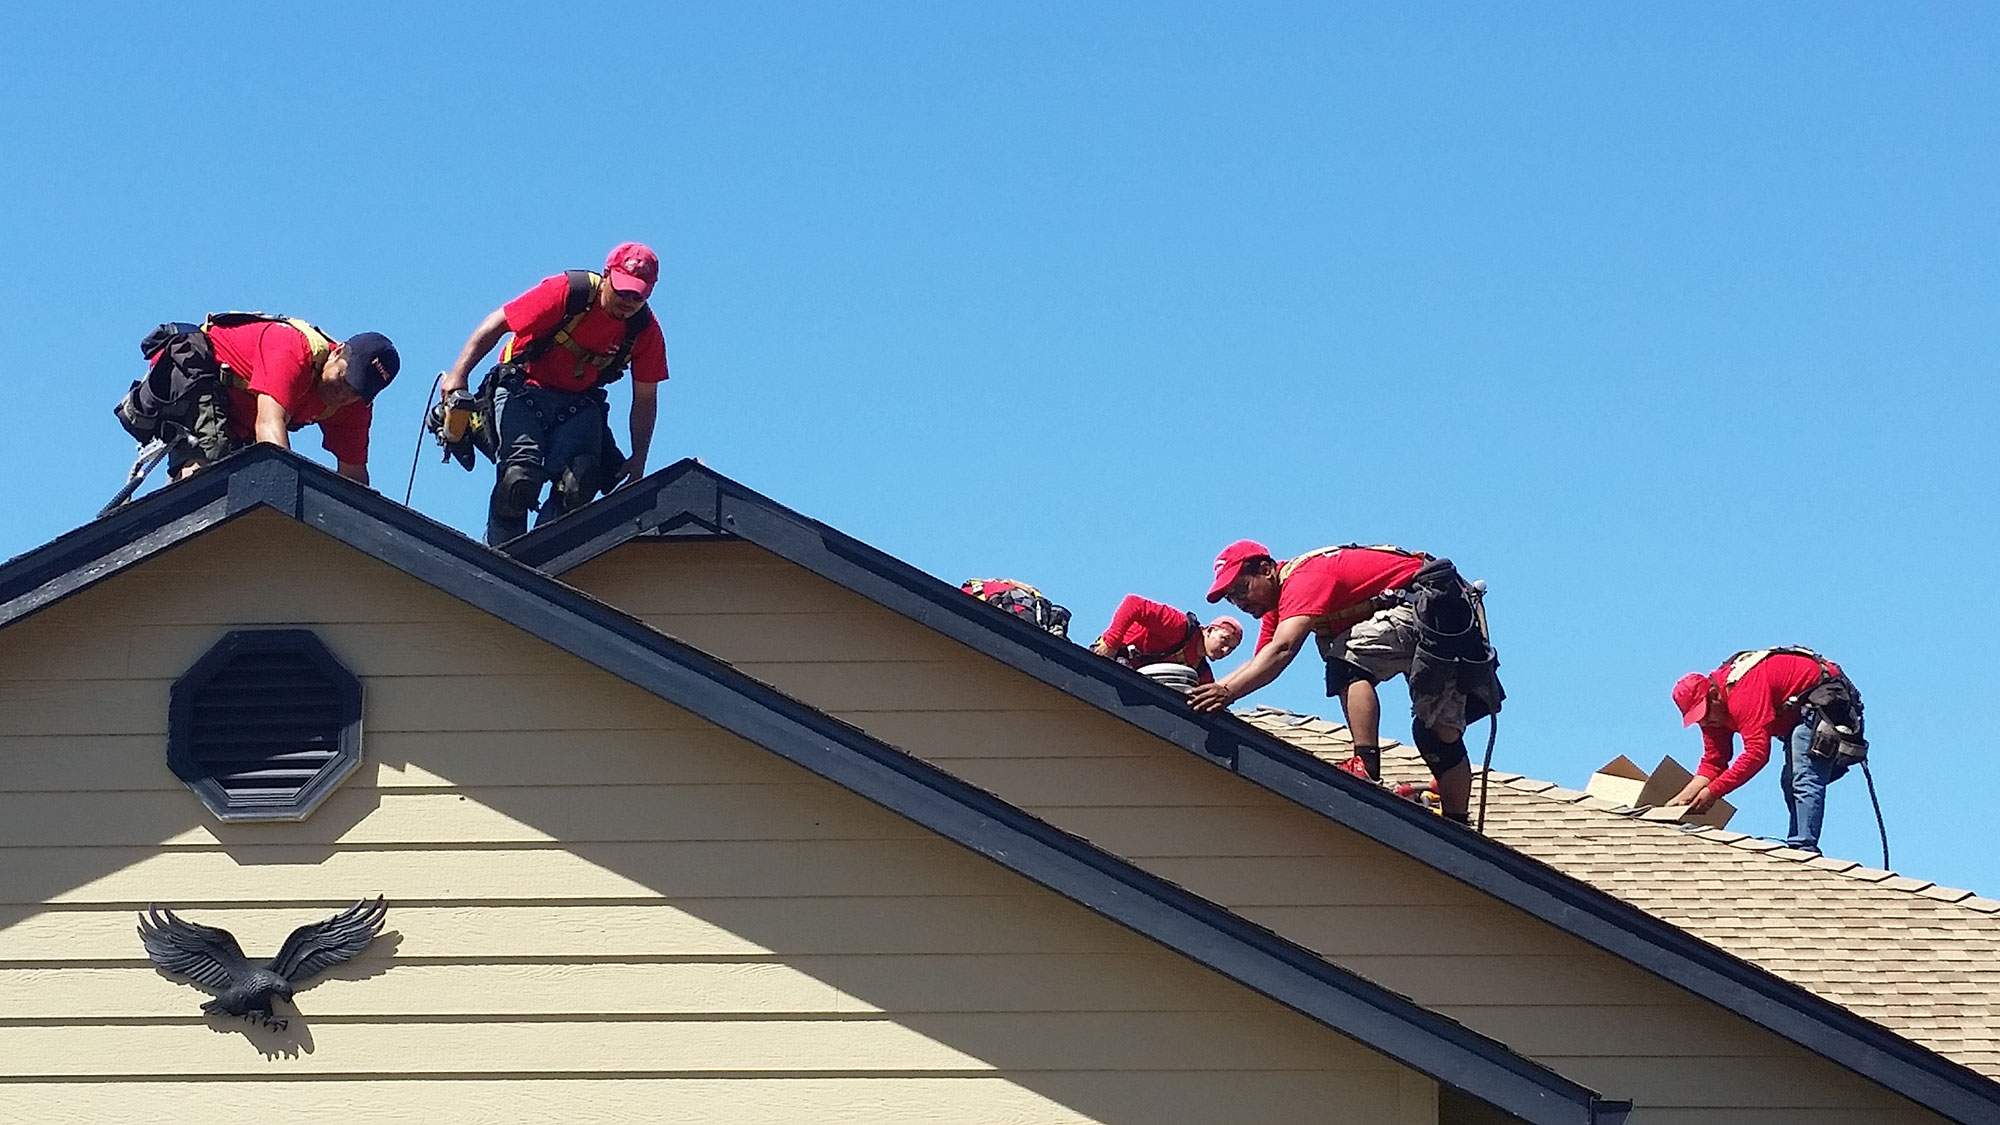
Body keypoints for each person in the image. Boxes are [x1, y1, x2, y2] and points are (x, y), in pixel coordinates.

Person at [1187, 540, 1502, 825]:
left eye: (1241, 589)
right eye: (1231, 599)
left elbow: (1282, 650)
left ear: (1267, 570)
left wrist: (1225, 693)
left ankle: (1365, 764)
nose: (1239, 602)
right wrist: (1198, 694)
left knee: (1347, 657)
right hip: (1438, 618)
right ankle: (1457, 826)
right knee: (1434, 734)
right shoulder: (1281, 603)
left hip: (1427, 606)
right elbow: (1260, 663)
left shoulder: (1304, 578)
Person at [438, 242, 669, 545]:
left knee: (580, 482)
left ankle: (545, 565)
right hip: (523, 386)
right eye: (622, 290)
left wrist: (639, 457)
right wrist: (459, 375)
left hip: (578, 402)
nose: (628, 300)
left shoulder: (644, 331)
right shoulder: (569, 292)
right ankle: (502, 557)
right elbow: (498, 323)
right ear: (606, 275)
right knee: (518, 479)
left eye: (637, 295)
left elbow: (645, 399)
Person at [116, 314, 400, 485]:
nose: (345, 393)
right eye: (343, 379)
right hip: (196, 372)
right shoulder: (293, 349)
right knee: (212, 468)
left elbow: (354, 476)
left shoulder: (355, 405)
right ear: (337, 353)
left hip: (239, 414)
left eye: (356, 392)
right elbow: (269, 429)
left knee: (243, 478)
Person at [1667, 648, 1865, 852]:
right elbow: (1713, 762)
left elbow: (1757, 754)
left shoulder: (1742, 693)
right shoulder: (1711, 714)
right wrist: (1681, 799)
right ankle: (1800, 844)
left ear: (1714, 694)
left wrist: (1713, 792)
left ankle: (1804, 849)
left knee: (1802, 773)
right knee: (1789, 781)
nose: (1706, 722)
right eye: (1698, 718)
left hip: (1824, 696)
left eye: (1705, 714)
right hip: (1794, 709)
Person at [1090, 595, 1242, 684]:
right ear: (1210, 630)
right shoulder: (1179, 626)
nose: (1225, 650)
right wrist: (1111, 642)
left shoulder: (1201, 673)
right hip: (1110, 659)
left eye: (1231, 649)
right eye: (1224, 640)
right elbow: (1133, 603)